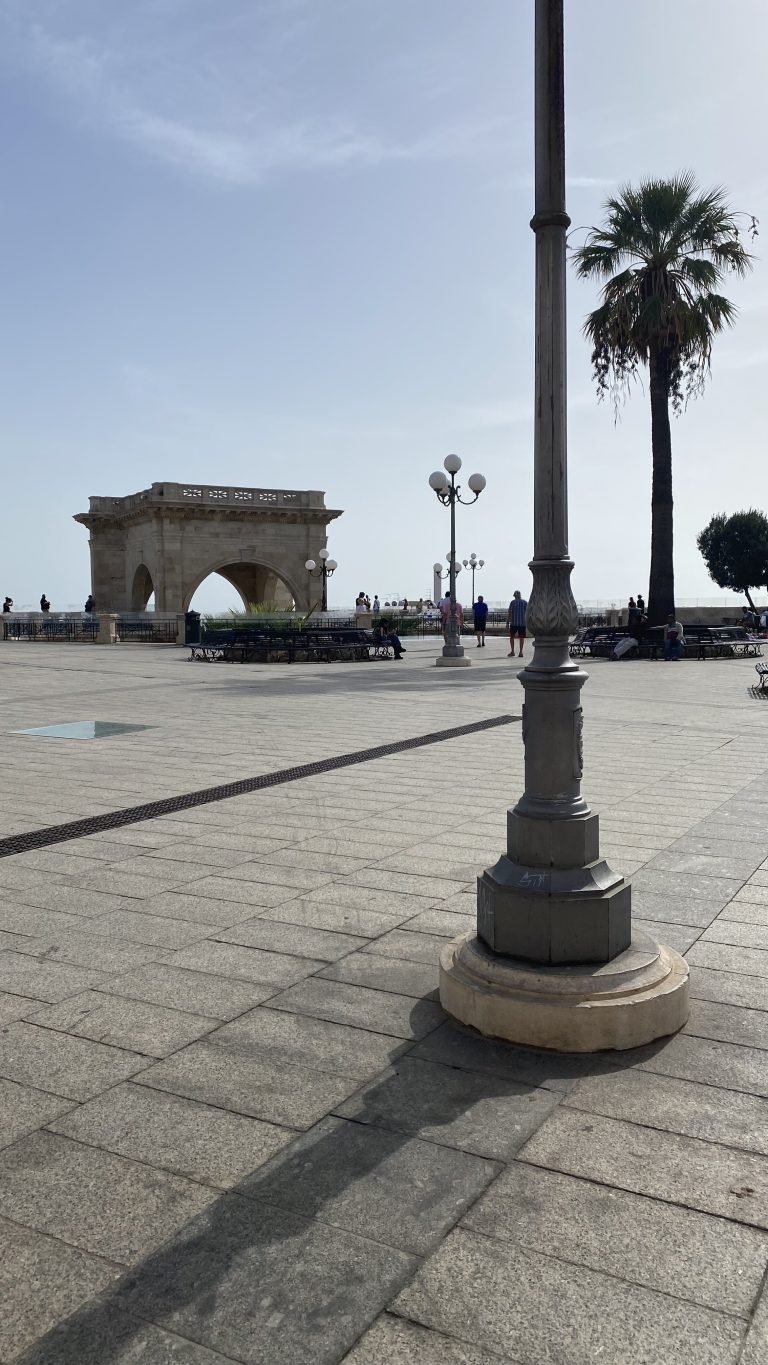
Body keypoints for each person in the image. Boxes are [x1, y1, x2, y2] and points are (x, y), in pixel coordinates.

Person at [507, 590, 527, 657]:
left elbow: (509, 613)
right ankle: (521, 652)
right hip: (522, 623)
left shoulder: (512, 602)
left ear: (515, 596)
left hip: (514, 623)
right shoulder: (525, 602)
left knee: (512, 637)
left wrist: (507, 623)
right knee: (521, 638)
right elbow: (528, 613)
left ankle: (512, 651)